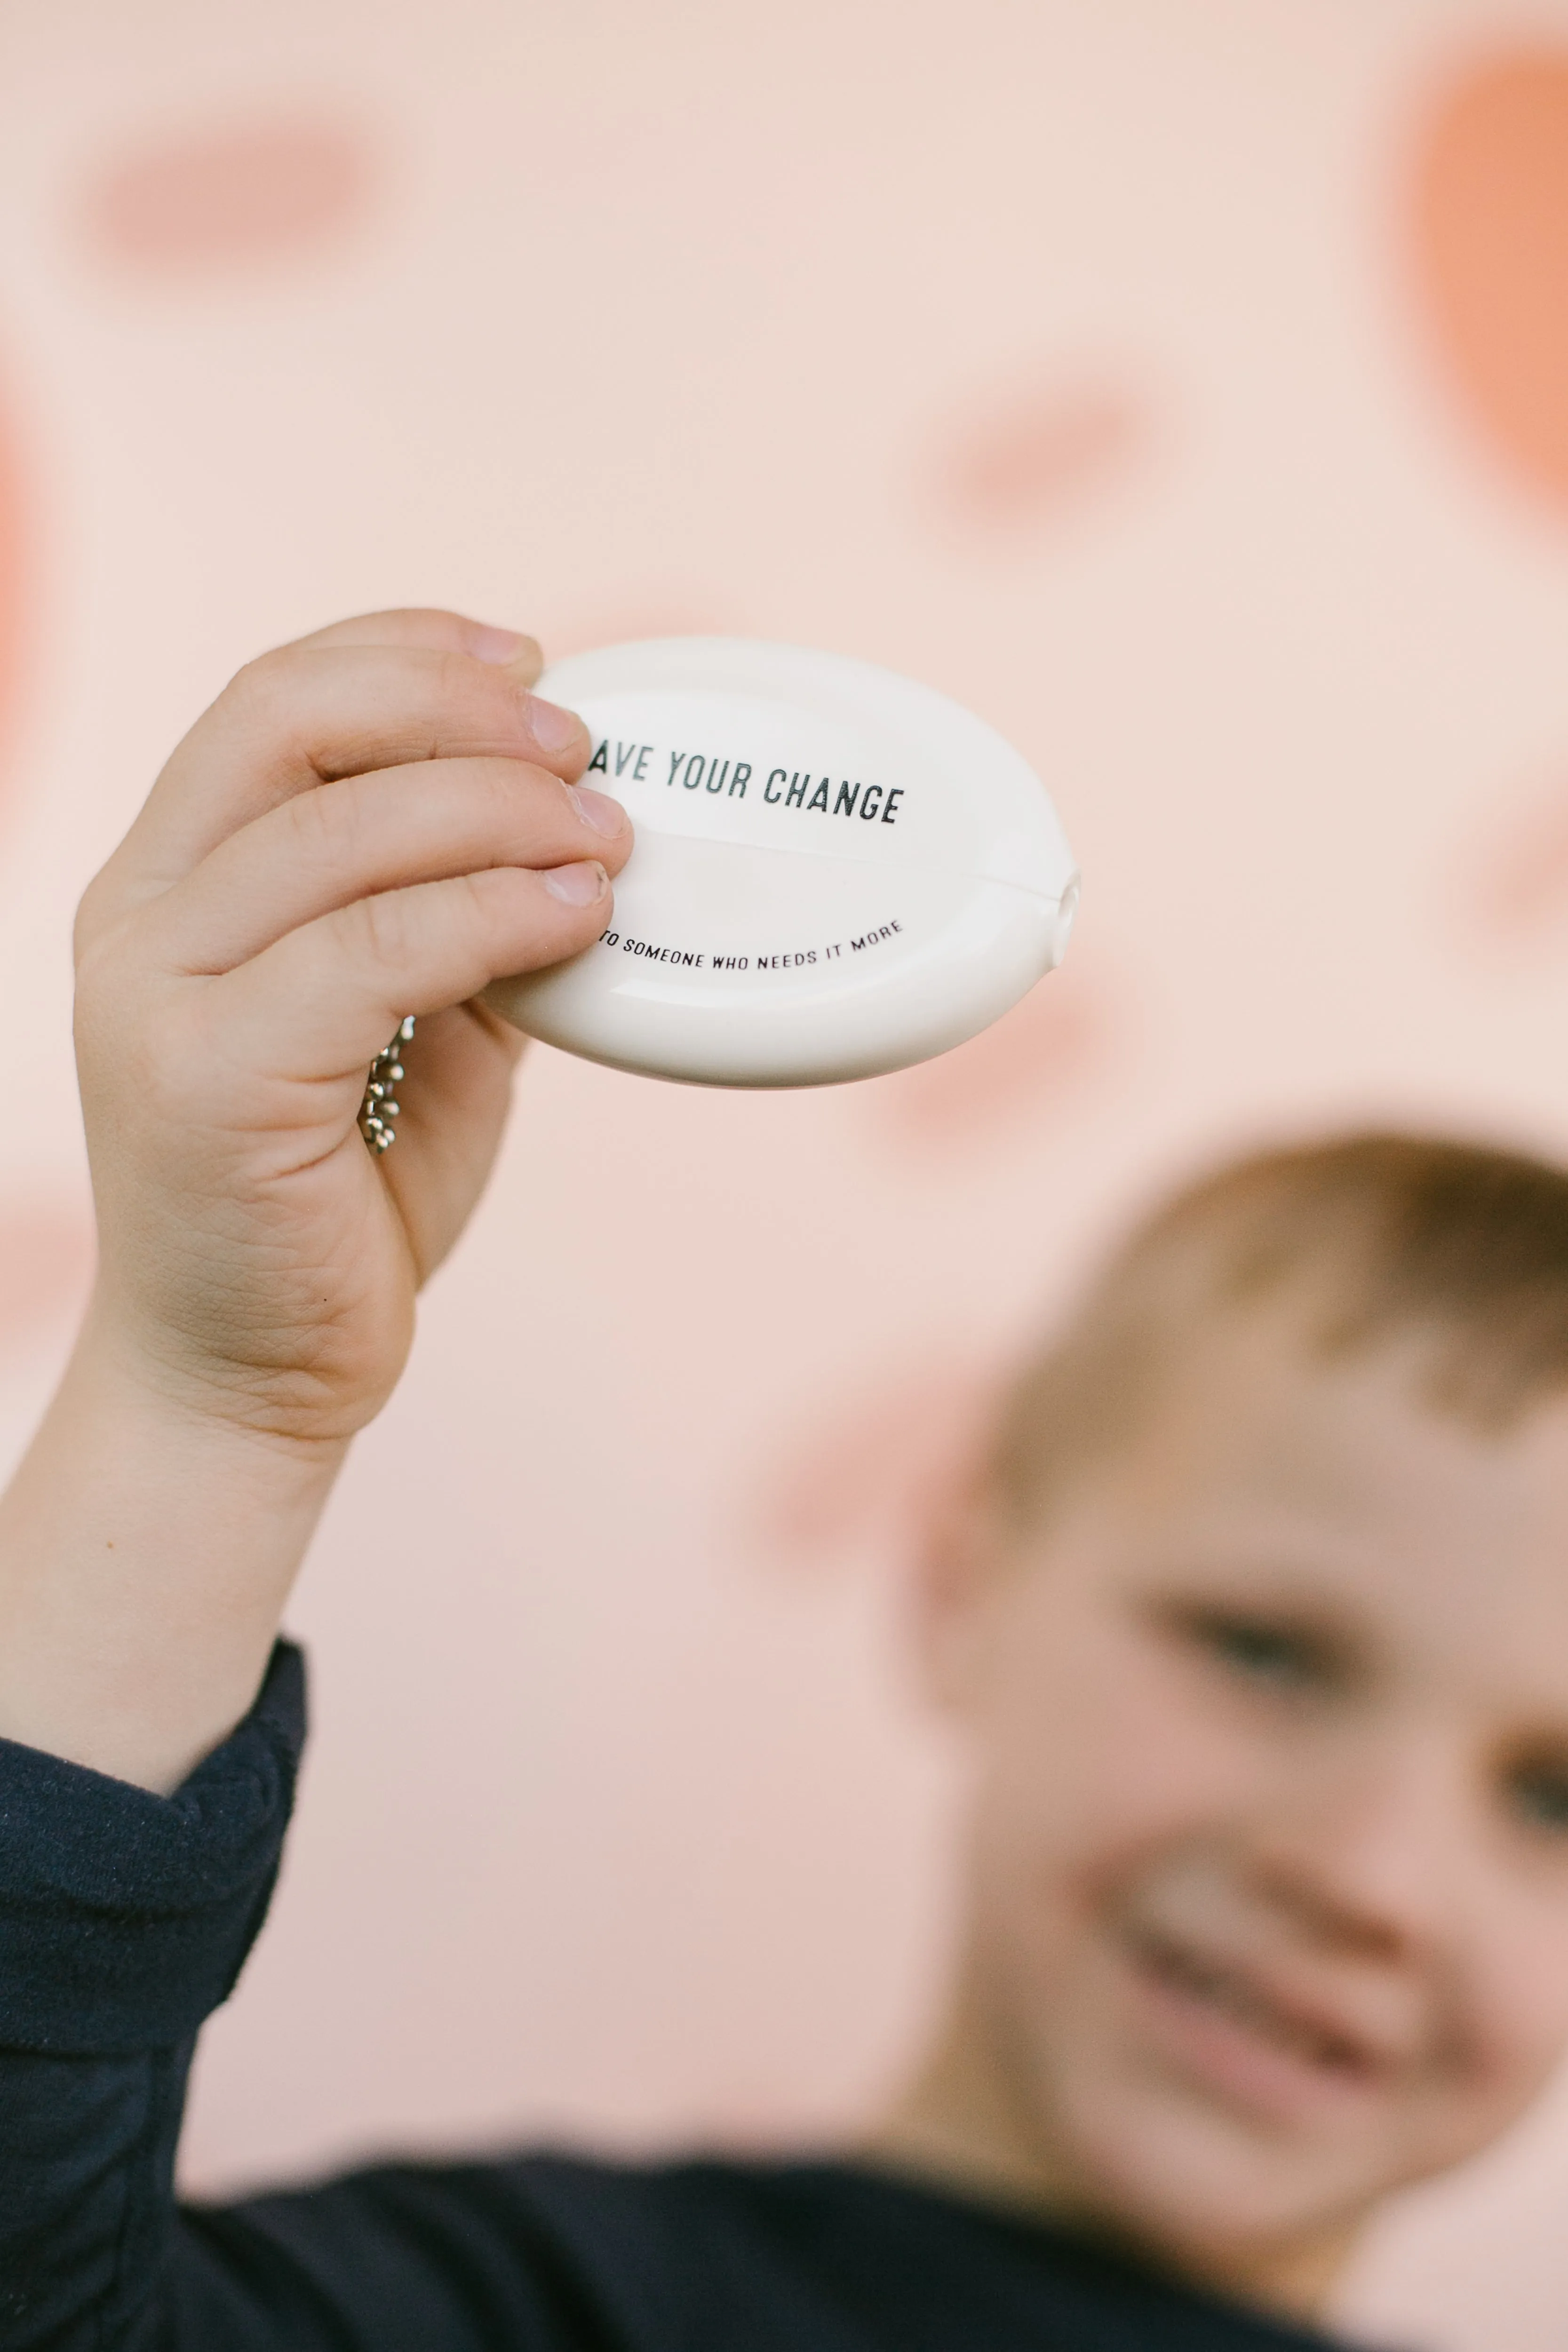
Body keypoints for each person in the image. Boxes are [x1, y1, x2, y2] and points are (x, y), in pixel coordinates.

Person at [5, 609, 1568, 2352]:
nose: (1370, 1873)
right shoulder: (536, 2312)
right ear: (966, 1578)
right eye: (1266, 1653)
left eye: (1554, 1799)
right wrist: (213, 1400)